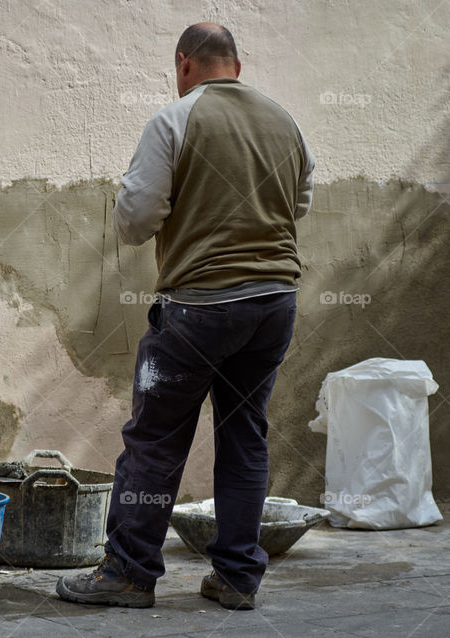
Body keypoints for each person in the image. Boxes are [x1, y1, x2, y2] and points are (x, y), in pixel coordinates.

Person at [56, 22, 315, 611]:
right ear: (237, 66)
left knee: (155, 440)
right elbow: (299, 203)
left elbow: (135, 220)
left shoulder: (175, 119)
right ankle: (237, 579)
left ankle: (129, 573)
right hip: (274, 304)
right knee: (245, 437)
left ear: (185, 65)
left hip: (200, 308)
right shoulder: (284, 121)